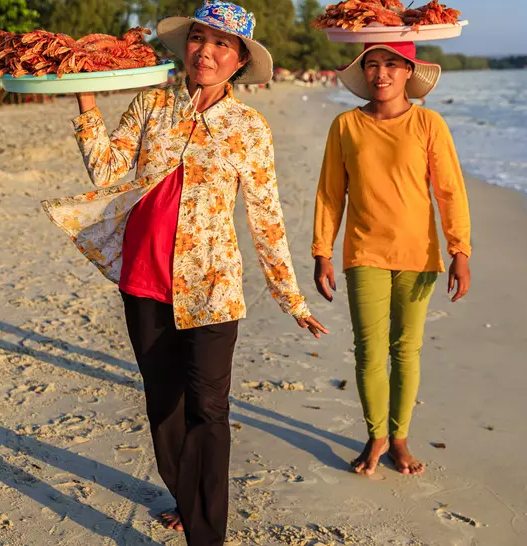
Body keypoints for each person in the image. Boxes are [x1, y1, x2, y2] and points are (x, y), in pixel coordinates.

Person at [43, 2, 327, 544]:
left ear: (240, 59)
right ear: (185, 45)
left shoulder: (249, 128)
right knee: (163, 402)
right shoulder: (151, 104)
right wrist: (84, 97)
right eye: (199, 38)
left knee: (209, 408)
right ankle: (184, 494)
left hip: (213, 289)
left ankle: (206, 532)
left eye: (222, 44)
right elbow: (107, 170)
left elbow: (266, 218)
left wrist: (292, 299)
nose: (207, 52)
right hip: (144, 281)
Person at [311, 42, 472, 477]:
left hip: (419, 255)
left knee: (406, 350)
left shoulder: (428, 123)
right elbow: (330, 194)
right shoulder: (345, 125)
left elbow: (449, 190)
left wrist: (460, 250)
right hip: (363, 252)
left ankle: (399, 439)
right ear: (365, 72)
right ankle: (376, 434)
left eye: (392, 65)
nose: (381, 74)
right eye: (373, 65)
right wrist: (321, 251)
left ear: (408, 72)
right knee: (368, 351)